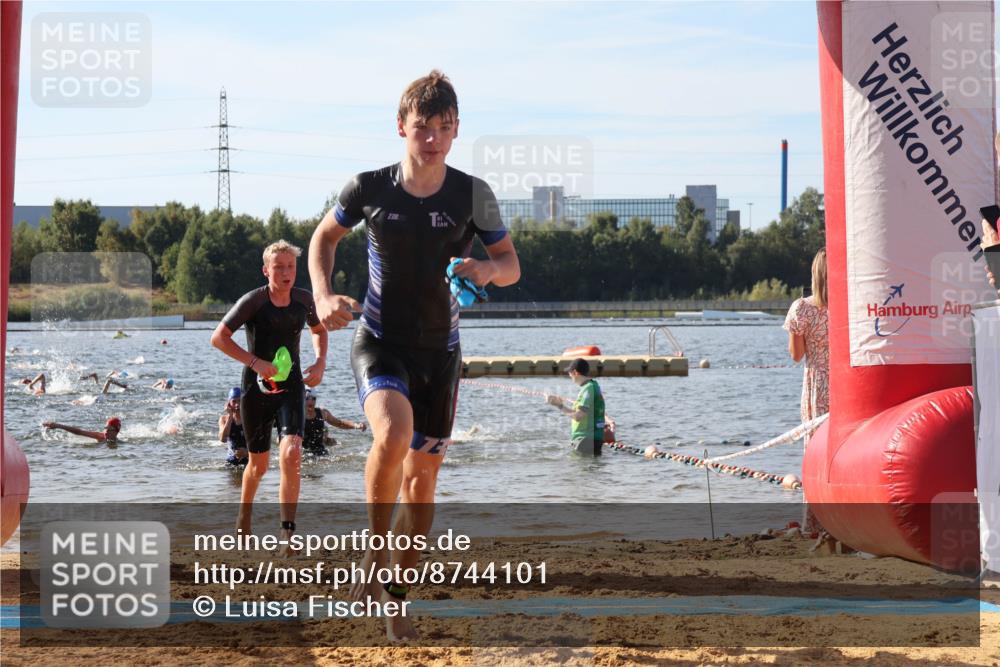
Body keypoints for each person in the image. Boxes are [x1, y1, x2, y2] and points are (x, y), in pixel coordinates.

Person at [308, 70, 520, 640]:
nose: (432, 138)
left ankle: (396, 593)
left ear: (455, 133)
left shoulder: (472, 194)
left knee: (422, 485)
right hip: (379, 340)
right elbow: (322, 239)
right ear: (401, 126)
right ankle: (373, 556)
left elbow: (511, 265)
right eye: (423, 127)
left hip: (441, 353)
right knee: (391, 436)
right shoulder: (369, 188)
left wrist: (485, 269)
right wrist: (325, 295)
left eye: (444, 128)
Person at [211, 239, 327, 551]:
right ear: (266, 270)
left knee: (292, 454)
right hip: (256, 391)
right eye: (279, 267)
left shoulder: (304, 300)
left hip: (291, 390)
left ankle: (288, 534)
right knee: (258, 466)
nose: (286, 272)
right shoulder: (253, 302)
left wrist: (320, 361)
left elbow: (319, 331)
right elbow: (218, 338)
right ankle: (243, 517)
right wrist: (255, 362)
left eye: (290, 266)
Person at [784, 248, 829, 536]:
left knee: (814, 452)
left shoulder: (802, 308)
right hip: (847, 384)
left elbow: (796, 355)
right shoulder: (848, 304)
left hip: (817, 385)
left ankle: (813, 522)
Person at [546, 358, 606, 457]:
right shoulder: (593, 385)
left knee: (580, 471)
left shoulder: (588, 388)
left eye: (569, 373)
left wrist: (559, 406)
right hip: (592, 439)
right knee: (592, 470)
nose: (569, 376)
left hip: (586, 440)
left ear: (575, 372)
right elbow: (581, 412)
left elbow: (578, 416)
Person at [302, 389, 367, 456]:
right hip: (303, 452)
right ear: (302, 399)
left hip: (320, 451)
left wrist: (356, 425)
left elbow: (339, 423)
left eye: (313, 398)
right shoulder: (298, 416)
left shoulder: (322, 413)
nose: (310, 401)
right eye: (307, 398)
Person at [43, 417, 121, 447]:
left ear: (116, 431)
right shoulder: (101, 436)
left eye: (109, 429)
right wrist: (58, 426)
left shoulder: (119, 442)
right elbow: (79, 432)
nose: (106, 432)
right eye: (105, 428)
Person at [219, 387, 248, 467]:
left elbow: (259, 445)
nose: (237, 404)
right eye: (234, 401)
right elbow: (223, 439)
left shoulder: (250, 419)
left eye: (240, 401)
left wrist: (246, 453)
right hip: (231, 461)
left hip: (249, 459)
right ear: (229, 404)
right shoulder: (223, 419)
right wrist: (230, 416)